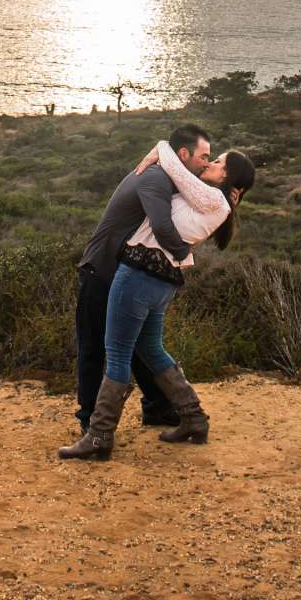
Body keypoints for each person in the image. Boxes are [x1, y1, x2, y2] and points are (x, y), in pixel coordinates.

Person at [59, 140, 256, 461]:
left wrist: (160, 147)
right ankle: (192, 417)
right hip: (161, 279)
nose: (209, 165)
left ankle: (98, 435)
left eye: (218, 162)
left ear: (228, 178)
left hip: (138, 272)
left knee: (118, 353)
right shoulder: (211, 201)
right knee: (150, 349)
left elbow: (174, 167)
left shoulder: (213, 200)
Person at [68, 123, 214, 432]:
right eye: (204, 156)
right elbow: (162, 227)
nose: (206, 164)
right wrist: (184, 255)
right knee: (95, 346)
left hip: (127, 271)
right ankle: (89, 421)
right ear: (184, 154)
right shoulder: (156, 177)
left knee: (137, 343)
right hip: (101, 269)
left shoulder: (169, 178)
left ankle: (157, 408)